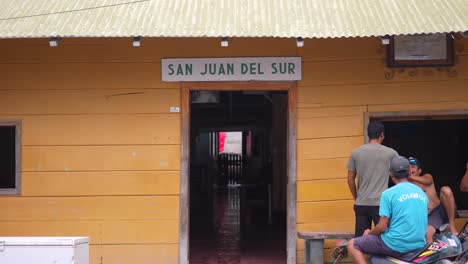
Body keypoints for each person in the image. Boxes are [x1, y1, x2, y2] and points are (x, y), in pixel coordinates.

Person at [347, 156, 428, 264]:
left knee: (353, 244)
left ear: (390, 174)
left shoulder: (388, 194)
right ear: (409, 173)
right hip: (418, 244)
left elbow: (382, 227)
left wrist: (369, 233)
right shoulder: (421, 192)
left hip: (395, 244)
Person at [347, 121, 398, 237]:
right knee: (385, 238)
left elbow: (350, 180)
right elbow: (398, 177)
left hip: (361, 203)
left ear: (368, 134)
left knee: (360, 241)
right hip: (381, 204)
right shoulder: (391, 153)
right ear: (382, 135)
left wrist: (357, 197)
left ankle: (361, 256)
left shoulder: (355, 153)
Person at [407, 157, 458, 240]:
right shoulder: (405, 184)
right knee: (428, 232)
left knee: (446, 190)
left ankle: (452, 226)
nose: (410, 169)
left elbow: (428, 181)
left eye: (413, 167)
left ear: (419, 171)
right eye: (407, 167)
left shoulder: (426, 176)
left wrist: (408, 176)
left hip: (440, 211)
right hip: (426, 217)